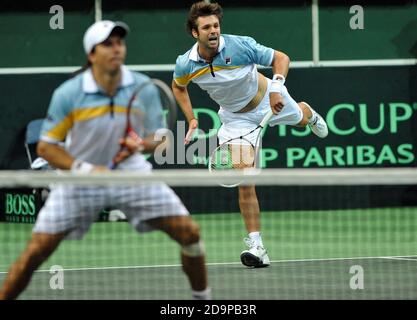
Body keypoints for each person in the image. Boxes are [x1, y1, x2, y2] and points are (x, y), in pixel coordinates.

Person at [0, 20, 211, 300]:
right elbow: (46, 148)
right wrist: (85, 169)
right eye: (107, 44)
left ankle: (204, 301)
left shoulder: (141, 86)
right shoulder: (69, 94)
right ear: (91, 54)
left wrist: (139, 144)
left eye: (119, 43)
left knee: (190, 234)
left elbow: (162, 139)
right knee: (35, 252)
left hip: (129, 174)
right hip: (79, 179)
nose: (116, 49)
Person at [172, 1, 328, 268]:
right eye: (206, 27)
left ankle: (307, 112)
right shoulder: (186, 64)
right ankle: (257, 246)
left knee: (301, 121)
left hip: (269, 98)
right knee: (245, 179)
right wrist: (192, 118)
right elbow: (178, 87)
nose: (213, 31)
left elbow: (282, 58)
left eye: (216, 26)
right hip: (235, 120)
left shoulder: (240, 46)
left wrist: (278, 87)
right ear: (194, 33)